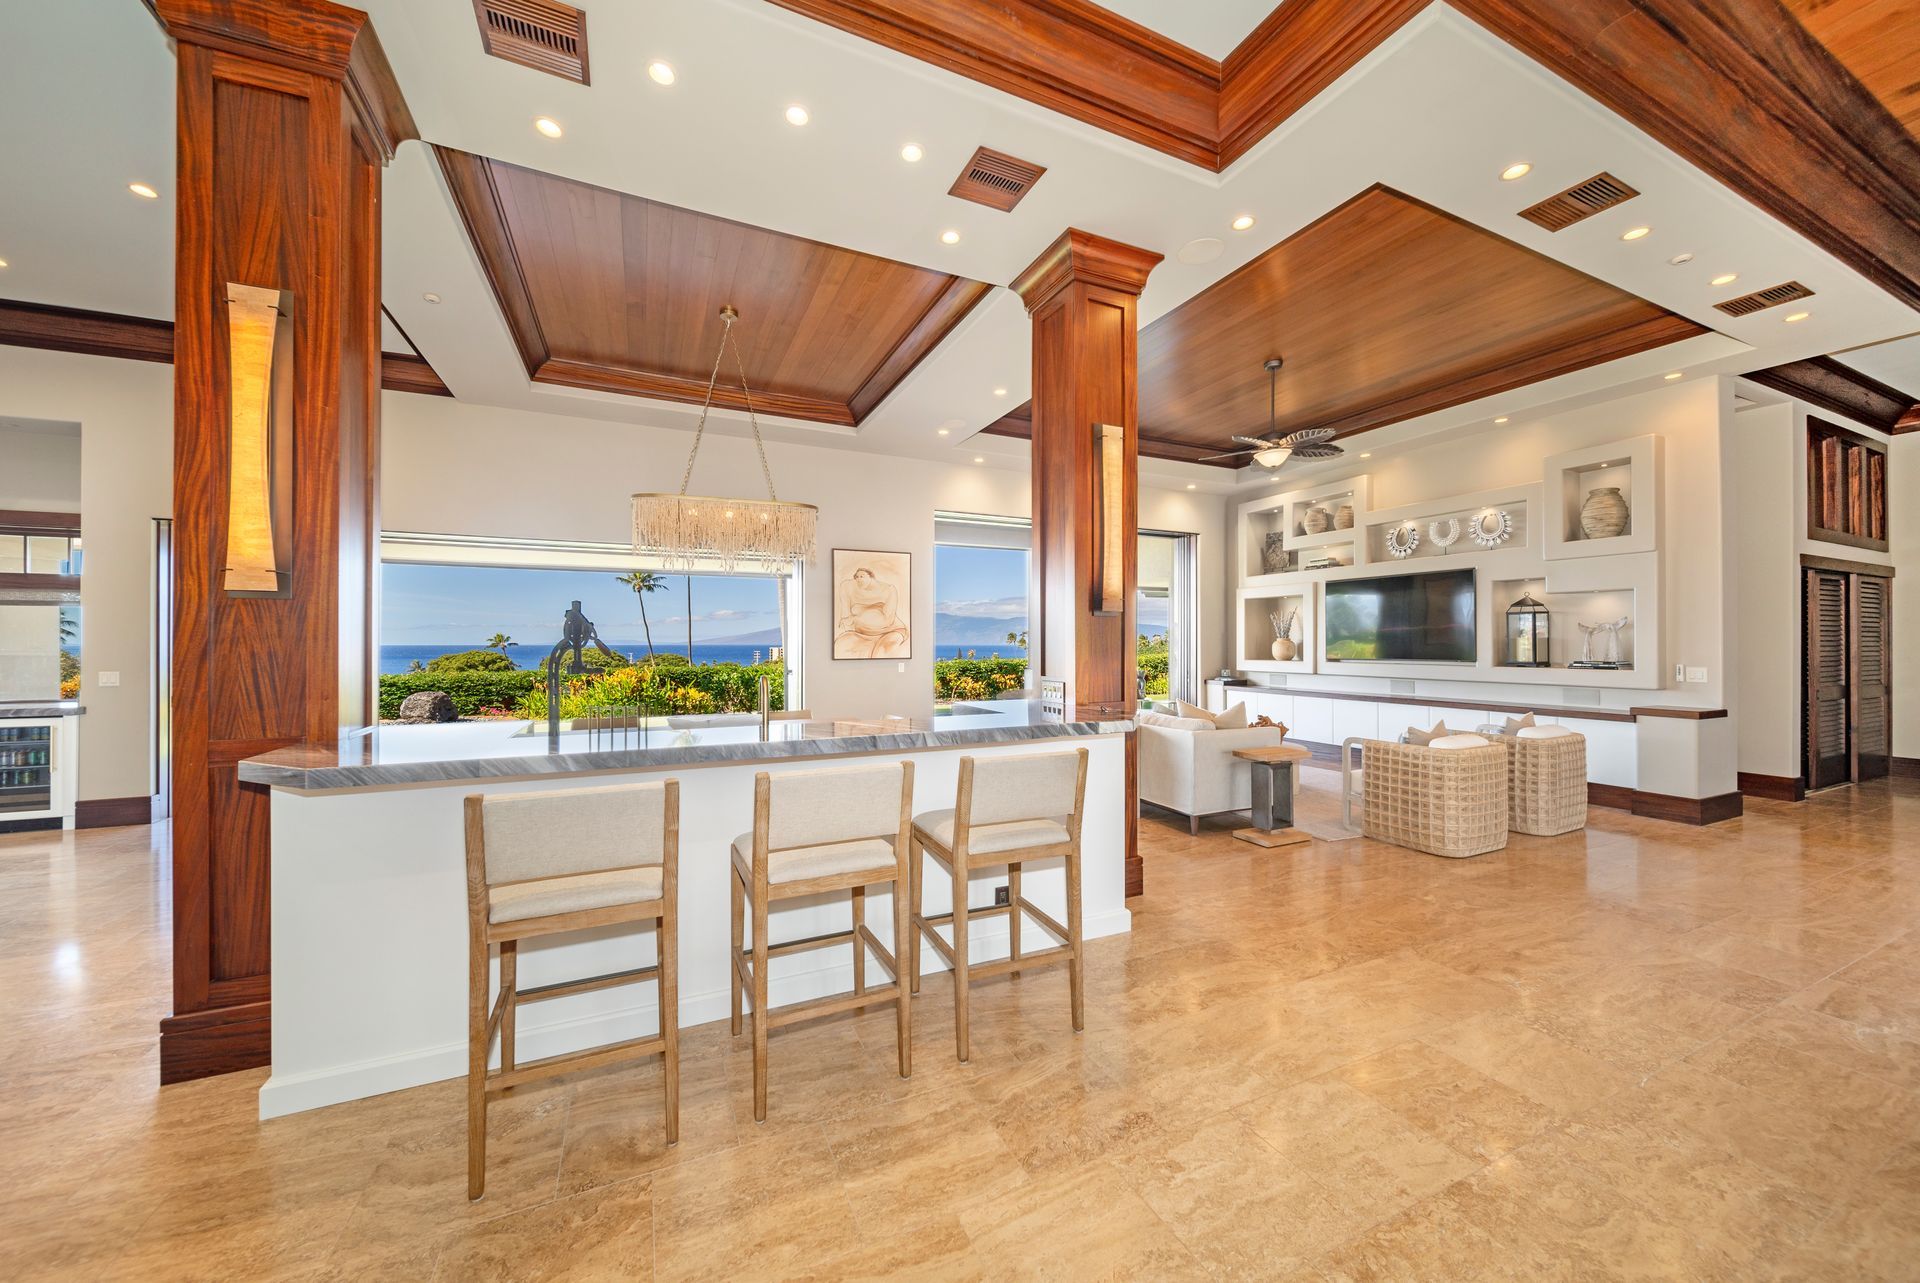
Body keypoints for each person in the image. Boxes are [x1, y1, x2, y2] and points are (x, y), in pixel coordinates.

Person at [833, 565, 908, 658]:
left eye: (862, 576)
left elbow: (888, 620)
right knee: (841, 644)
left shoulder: (888, 589)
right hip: (861, 633)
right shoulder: (847, 587)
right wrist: (850, 621)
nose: (858, 579)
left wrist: (855, 619)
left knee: (881, 653)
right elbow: (845, 617)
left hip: (889, 631)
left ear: (871, 577)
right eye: (856, 577)